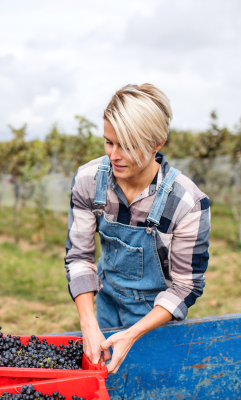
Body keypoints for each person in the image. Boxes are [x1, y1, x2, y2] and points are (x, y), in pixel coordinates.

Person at [64, 84, 210, 374]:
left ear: (158, 143)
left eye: (128, 146)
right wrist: (88, 323)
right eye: (109, 142)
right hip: (106, 307)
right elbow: (79, 258)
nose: (114, 156)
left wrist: (132, 333)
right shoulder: (89, 180)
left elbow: (185, 286)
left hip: (157, 321)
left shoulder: (186, 203)